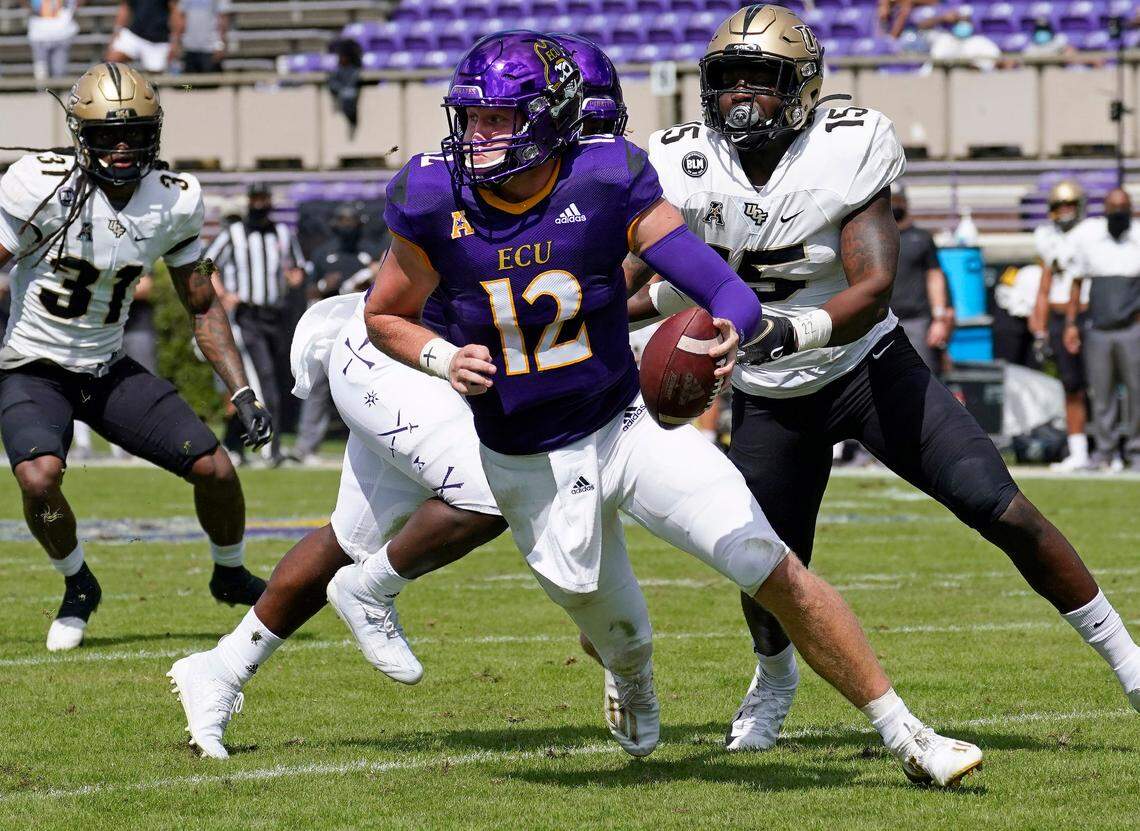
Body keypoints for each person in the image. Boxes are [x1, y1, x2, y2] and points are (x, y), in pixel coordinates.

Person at [170, 31, 982, 788]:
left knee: (766, 562)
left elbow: (696, 276)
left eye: (502, 119)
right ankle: (387, 589)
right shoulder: (431, 192)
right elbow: (386, 312)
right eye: (475, 118)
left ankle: (908, 734)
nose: (482, 136)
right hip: (467, 408)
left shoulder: (605, 181)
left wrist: (737, 322)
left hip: (619, 424)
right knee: (569, 585)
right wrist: (440, 355)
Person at [630, 4, 1140, 753]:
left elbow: (873, 283)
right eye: (727, 77)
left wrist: (790, 328)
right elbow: (647, 276)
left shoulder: (848, 144)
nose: (740, 94)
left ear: (802, 87)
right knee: (765, 566)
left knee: (1003, 509)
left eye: (760, 78)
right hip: (770, 396)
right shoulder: (678, 157)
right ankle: (773, 679)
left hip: (866, 368)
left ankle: (1128, 662)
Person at [0, 63, 273, 651]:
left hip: (105, 366)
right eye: (105, 134)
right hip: (33, 365)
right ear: (80, 134)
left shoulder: (175, 199)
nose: (121, 148)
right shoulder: (39, 184)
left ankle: (229, 572)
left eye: (134, 133)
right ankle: (78, 584)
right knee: (39, 476)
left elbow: (202, 305)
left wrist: (242, 390)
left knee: (216, 469)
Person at [206, 183, 305, 464]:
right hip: (247, 317)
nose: (260, 204)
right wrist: (223, 293)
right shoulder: (234, 234)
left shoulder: (283, 233)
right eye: (256, 199)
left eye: (264, 198)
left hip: (275, 315)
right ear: (249, 202)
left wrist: (292, 278)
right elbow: (205, 263)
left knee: (272, 380)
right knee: (265, 381)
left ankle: (235, 444)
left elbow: (297, 268)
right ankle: (270, 451)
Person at [288, 204, 378, 463]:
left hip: (363, 330)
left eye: (351, 221)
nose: (347, 226)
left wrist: (370, 276)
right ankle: (306, 446)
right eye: (343, 221)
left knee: (365, 386)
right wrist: (326, 284)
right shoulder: (323, 253)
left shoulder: (369, 252)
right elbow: (309, 292)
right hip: (330, 332)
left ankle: (373, 447)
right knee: (317, 386)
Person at [1064, 188, 1140, 471]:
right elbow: (1077, 283)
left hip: (1131, 328)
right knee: (1101, 391)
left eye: (1123, 206)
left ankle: (1135, 450)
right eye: (1113, 206)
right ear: (1104, 210)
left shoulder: (1138, 239)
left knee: (1136, 392)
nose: (1118, 211)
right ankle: (1105, 450)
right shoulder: (1091, 241)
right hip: (1098, 328)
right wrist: (1071, 323)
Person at [1029, 180, 1091, 471]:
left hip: (1089, 315)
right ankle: (1079, 450)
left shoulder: (1092, 234)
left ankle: (1112, 447)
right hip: (1057, 316)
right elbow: (1044, 287)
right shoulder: (1047, 237)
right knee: (1071, 385)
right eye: (1060, 205)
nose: (1065, 211)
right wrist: (1040, 329)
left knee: (1101, 386)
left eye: (1070, 204)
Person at [889, 182, 954, 374]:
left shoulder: (921, 238)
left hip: (917, 321)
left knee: (923, 377)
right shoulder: (873, 238)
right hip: (882, 322)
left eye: (899, 201)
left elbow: (935, 277)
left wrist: (940, 319)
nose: (895, 205)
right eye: (891, 201)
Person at [106, 0, 182, 74]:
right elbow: (125, 8)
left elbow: (175, 12)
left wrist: (175, 42)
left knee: (156, 79)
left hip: (158, 41)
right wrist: (116, 33)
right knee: (110, 63)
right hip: (135, 34)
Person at [918, 6, 1001, 72]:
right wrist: (942, 18)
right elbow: (921, 27)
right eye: (959, 21)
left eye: (966, 20)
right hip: (933, 81)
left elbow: (991, 66)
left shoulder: (981, 42)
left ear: (971, 23)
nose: (962, 23)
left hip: (966, 84)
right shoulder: (942, 38)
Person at [25, 0, 80, 81]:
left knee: (59, 70)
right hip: (39, 34)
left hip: (61, 34)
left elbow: (72, 6)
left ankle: (58, 91)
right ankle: (42, 92)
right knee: (41, 71)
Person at [178, 0, 226, 74]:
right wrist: (178, 43)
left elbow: (222, 20)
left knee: (208, 83)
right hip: (189, 47)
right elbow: (181, 18)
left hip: (210, 48)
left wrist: (220, 46)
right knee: (188, 84)